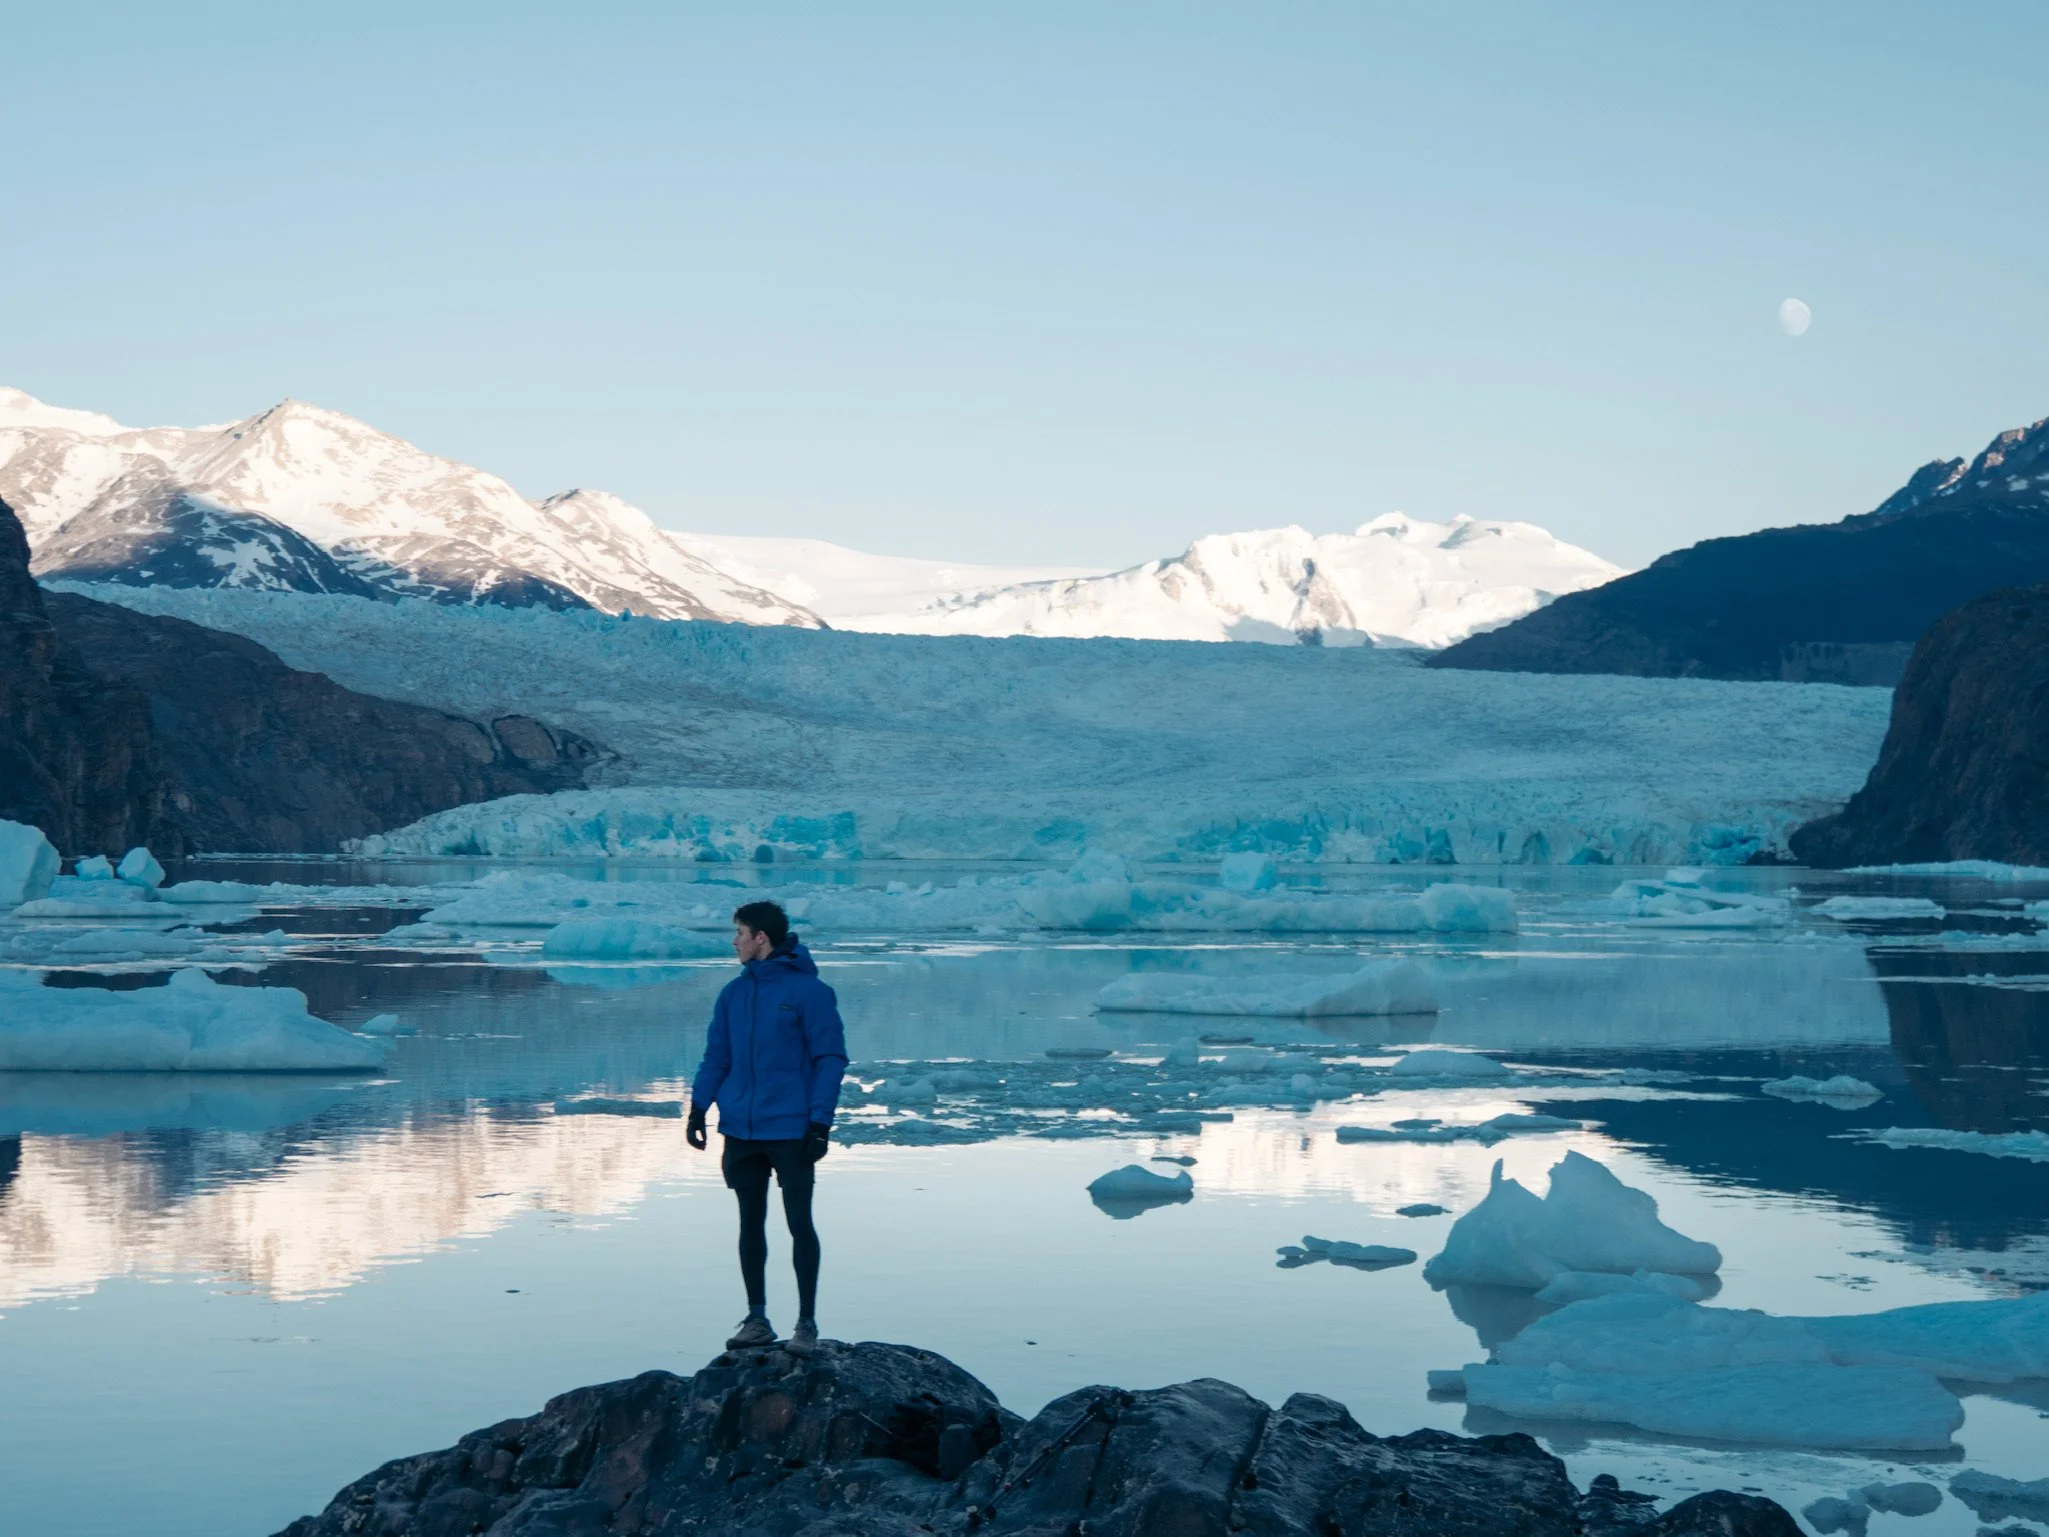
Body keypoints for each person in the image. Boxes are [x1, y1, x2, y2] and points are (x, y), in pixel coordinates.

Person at [687, 899, 847, 1355]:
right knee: (749, 1225)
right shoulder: (733, 995)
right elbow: (717, 1056)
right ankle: (757, 1320)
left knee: (799, 1223)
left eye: (740, 932)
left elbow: (830, 1060)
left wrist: (820, 1123)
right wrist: (699, 1108)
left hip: (792, 1128)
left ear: (762, 938)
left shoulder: (810, 993)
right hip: (740, 1128)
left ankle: (806, 1325)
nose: (734, 941)